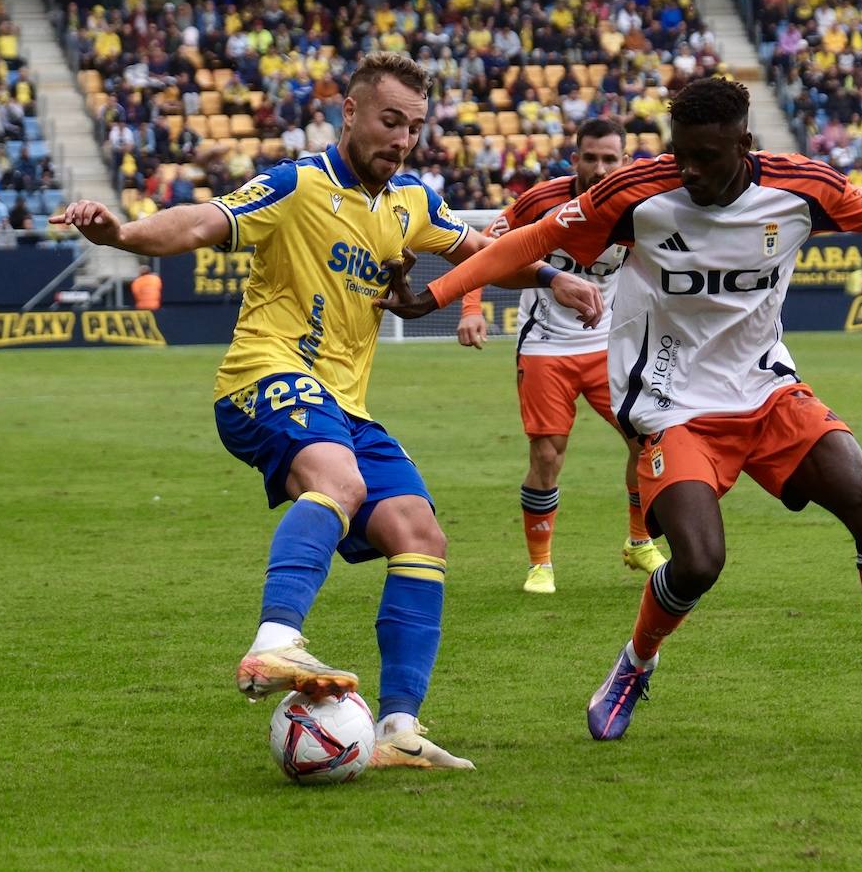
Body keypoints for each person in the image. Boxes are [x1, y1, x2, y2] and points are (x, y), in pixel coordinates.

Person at [380, 77, 862, 746]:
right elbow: (526, 243)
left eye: (706, 157)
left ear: (744, 142)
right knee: (700, 563)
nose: (689, 170)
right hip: (672, 404)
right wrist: (436, 297)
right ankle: (635, 666)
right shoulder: (634, 192)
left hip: (768, 391)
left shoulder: (800, 187)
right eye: (679, 152)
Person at [49, 52, 602, 770]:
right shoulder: (297, 185)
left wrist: (553, 277)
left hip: (342, 404)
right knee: (337, 484)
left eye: (413, 127)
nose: (401, 139)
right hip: (265, 376)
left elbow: (484, 253)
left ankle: (398, 729)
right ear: (350, 114)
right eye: (388, 121)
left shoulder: (413, 202)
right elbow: (198, 224)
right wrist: (121, 235)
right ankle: (274, 642)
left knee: (419, 532)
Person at [457, 118, 667, 594]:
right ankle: (541, 565)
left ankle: (639, 542)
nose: (599, 168)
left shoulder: (641, 206)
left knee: (646, 439)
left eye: (609, 159)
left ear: (625, 162)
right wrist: (471, 307)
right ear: (575, 160)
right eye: (590, 158)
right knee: (548, 455)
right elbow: (485, 246)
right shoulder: (543, 199)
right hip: (546, 345)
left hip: (611, 346)